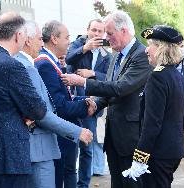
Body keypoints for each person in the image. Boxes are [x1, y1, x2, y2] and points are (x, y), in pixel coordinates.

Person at [61, 10, 153, 188]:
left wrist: (84, 82)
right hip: (114, 137)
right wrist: (95, 103)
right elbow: (110, 90)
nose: (106, 38)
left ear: (124, 31)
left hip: (131, 137)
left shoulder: (141, 55)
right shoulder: (116, 54)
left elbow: (121, 88)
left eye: (109, 33)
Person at [14, 21, 93, 188]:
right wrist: (79, 126)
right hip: (45, 142)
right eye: (39, 39)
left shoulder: (39, 63)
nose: (42, 43)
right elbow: (47, 110)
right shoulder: (37, 65)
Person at [122, 24, 184, 188]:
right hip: (172, 150)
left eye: (150, 44)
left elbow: (152, 123)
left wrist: (140, 158)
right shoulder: (176, 75)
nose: (146, 50)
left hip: (158, 153)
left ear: (161, 48)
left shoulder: (157, 77)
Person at [0, 12, 47, 188]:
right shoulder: (12, 65)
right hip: (8, 158)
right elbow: (38, 109)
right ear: (19, 35)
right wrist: (24, 114)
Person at [66, 18, 112, 188]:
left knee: (87, 147)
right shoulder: (77, 44)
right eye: (94, 30)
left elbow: (109, 78)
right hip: (71, 103)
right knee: (71, 146)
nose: (96, 34)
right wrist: (85, 48)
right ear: (87, 30)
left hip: (91, 106)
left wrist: (92, 73)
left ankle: (83, 184)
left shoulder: (106, 54)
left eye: (100, 31)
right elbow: (69, 59)